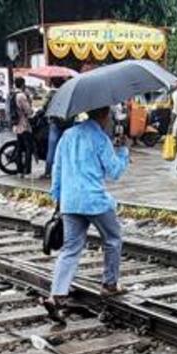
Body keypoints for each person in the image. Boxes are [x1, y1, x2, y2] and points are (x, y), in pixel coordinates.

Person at [45, 105, 128, 323]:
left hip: (70, 201)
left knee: (70, 248)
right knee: (112, 239)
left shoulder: (67, 135)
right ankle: (110, 284)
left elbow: (57, 169)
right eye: (109, 115)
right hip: (94, 201)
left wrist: (57, 197)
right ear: (104, 115)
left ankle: (56, 296)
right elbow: (115, 172)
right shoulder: (100, 138)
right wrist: (123, 151)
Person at [11, 76, 35, 176]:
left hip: (16, 125)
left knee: (19, 147)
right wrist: (29, 100)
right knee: (28, 147)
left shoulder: (11, 94)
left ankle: (19, 169)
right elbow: (28, 111)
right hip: (24, 125)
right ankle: (27, 170)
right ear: (23, 84)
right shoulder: (21, 96)